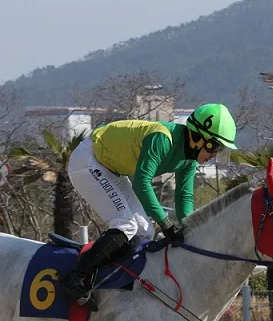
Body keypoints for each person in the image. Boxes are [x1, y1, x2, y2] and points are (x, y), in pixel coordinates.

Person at [58, 103, 237, 308]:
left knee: (145, 231)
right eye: (214, 146)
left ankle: (110, 284)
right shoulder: (162, 138)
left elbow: (184, 197)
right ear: (197, 137)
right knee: (126, 225)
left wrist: (189, 230)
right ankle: (75, 277)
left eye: (220, 149)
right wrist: (166, 224)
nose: (215, 154)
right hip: (88, 161)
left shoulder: (189, 159)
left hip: (112, 169)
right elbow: (142, 184)